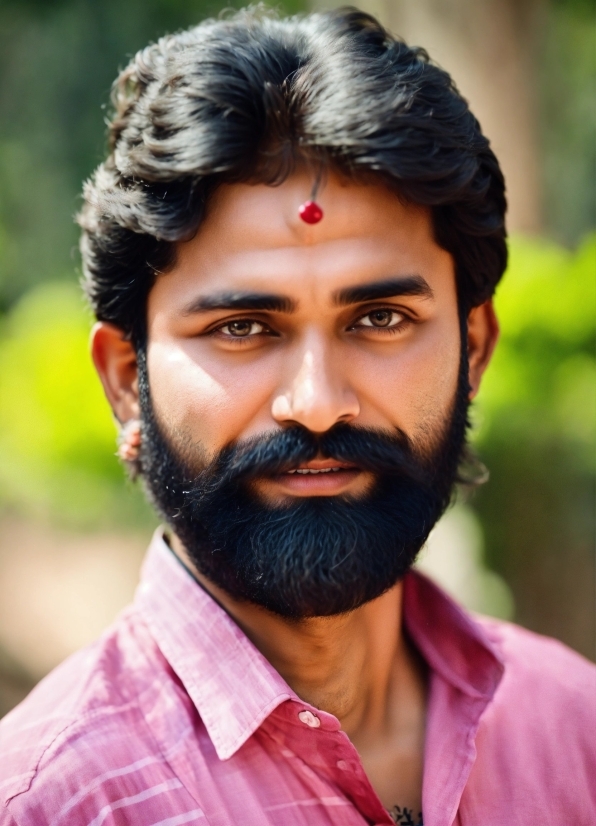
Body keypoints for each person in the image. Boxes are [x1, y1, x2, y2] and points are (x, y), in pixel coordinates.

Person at [0, 7, 594, 825]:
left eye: (380, 319)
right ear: (128, 381)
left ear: (475, 352)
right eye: (242, 329)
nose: (316, 402)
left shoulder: (575, 733)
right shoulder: (57, 803)